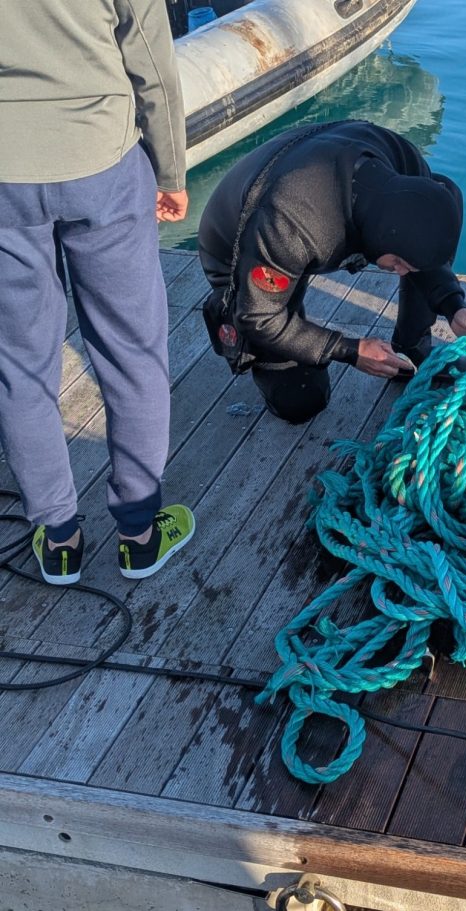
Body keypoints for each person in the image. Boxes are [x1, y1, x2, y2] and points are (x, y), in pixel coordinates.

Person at [0, 0, 196, 586]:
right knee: (131, 349)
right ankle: (139, 534)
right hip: (101, 163)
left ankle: (59, 539)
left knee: (19, 363)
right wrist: (170, 171)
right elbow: (151, 60)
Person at [197, 120, 466, 424]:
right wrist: (350, 350)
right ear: (380, 237)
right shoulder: (288, 226)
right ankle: (250, 333)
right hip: (238, 243)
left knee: (445, 198)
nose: (403, 273)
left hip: (316, 189)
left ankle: (413, 349)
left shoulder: (406, 164)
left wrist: (453, 304)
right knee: (301, 401)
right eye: (402, 264)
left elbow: (420, 241)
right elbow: (258, 318)